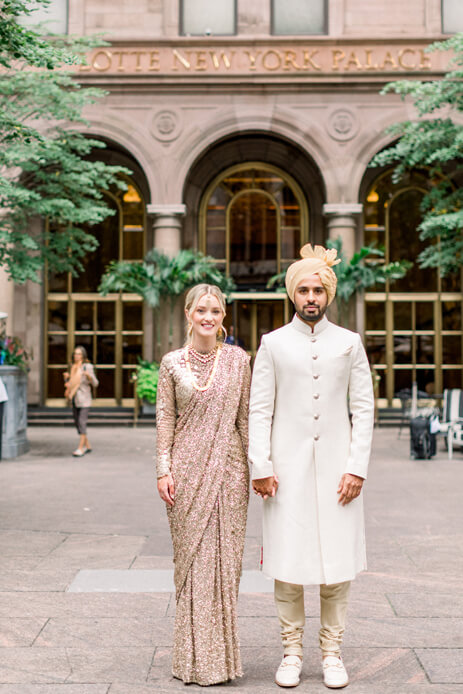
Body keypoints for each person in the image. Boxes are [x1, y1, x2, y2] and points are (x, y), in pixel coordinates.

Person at [249, 244, 374, 689]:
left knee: (337, 568)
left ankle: (332, 652)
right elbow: (258, 411)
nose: (311, 297)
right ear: (291, 293)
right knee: (288, 564)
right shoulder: (272, 344)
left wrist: (356, 468)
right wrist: (259, 465)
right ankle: (291, 651)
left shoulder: (349, 343)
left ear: (329, 294)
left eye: (318, 289)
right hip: (285, 474)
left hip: (340, 474)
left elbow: (364, 408)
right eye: (303, 289)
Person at [156, 283, 251, 686]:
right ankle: (190, 660)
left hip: (229, 472)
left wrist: (258, 469)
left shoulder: (238, 360)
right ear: (188, 314)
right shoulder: (171, 363)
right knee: (191, 564)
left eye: (215, 311)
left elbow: (245, 419)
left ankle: (221, 661)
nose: (208, 317)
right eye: (201, 311)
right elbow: (164, 419)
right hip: (186, 472)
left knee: (225, 567)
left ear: (223, 316)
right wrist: (163, 469)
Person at [63, 345, 98, 457]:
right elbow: (71, 383)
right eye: (75, 354)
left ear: (83, 355)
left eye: (78, 354)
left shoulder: (87, 367)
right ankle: (88, 446)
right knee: (78, 424)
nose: (76, 356)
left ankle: (80, 448)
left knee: (82, 423)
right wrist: (67, 378)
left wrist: (89, 376)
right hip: (74, 399)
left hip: (84, 399)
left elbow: (96, 383)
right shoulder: (73, 367)